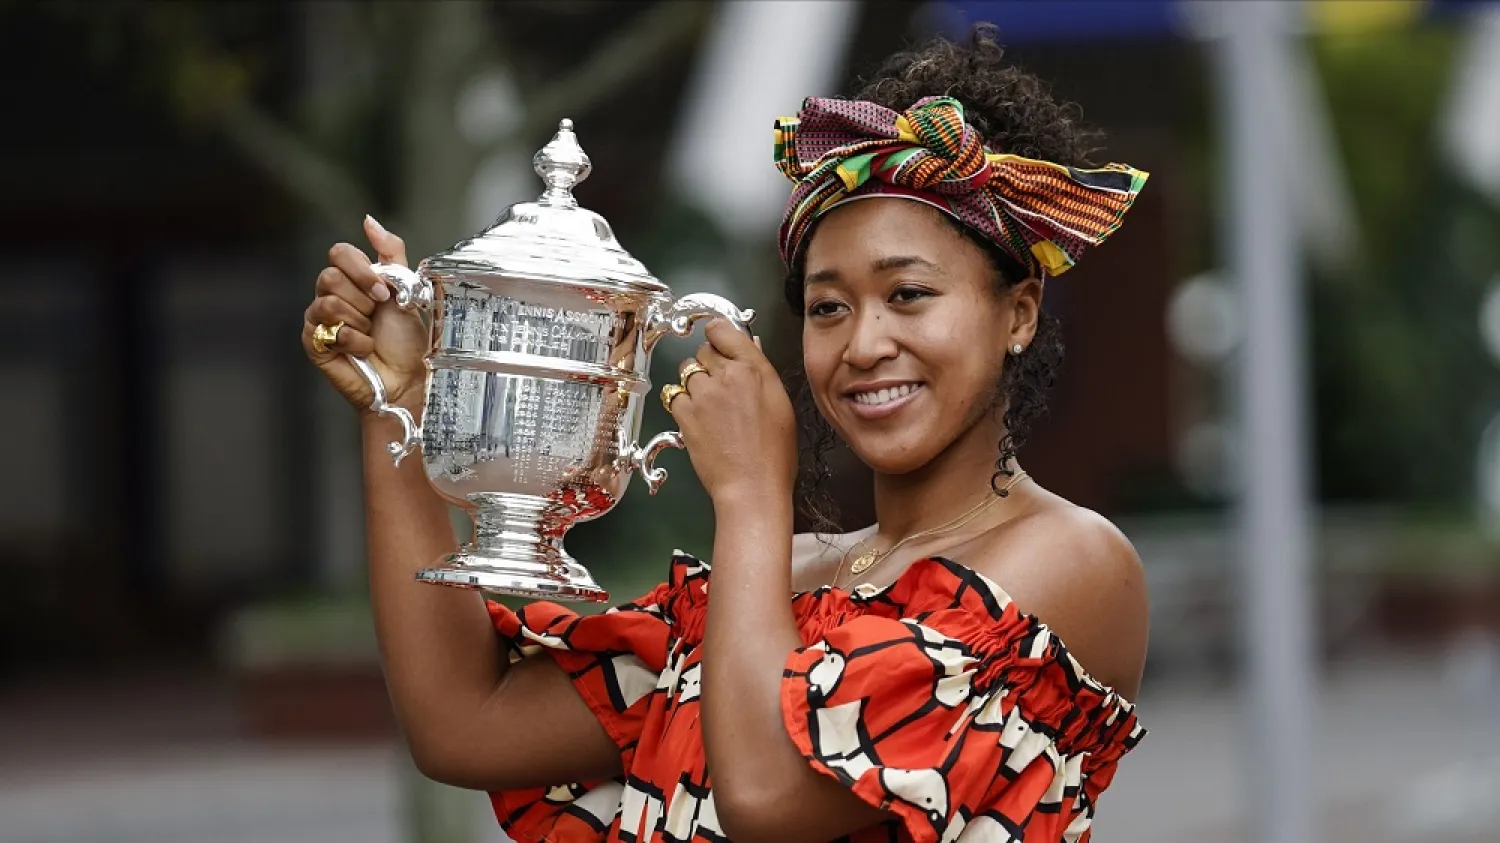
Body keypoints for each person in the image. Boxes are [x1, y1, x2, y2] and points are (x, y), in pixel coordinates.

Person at [302, 25, 1150, 843]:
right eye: (828, 307)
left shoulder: (1074, 561)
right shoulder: (774, 581)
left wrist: (749, 494)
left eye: (910, 295)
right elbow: (464, 723)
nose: (863, 344)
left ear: (1019, 314)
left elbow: (769, 795)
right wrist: (401, 402)